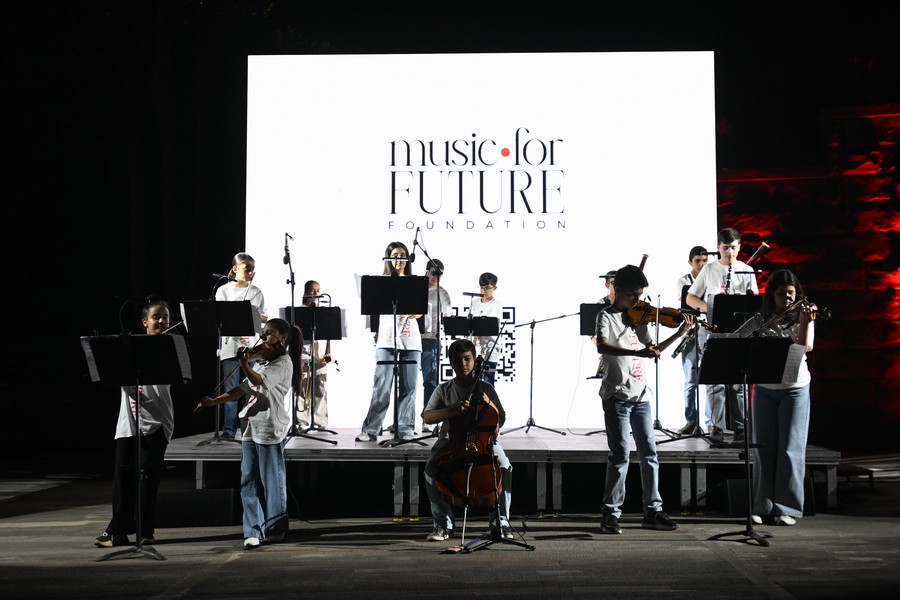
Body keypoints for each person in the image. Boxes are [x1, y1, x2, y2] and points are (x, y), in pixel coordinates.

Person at [595, 265, 694, 534]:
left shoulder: (639, 319)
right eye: (632, 295)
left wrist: (678, 333)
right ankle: (610, 514)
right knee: (620, 456)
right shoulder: (606, 316)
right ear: (617, 290)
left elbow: (653, 349)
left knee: (650, 454)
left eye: (639, 295)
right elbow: (602, 346)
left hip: (641, 397)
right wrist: (637, 352)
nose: (637, 300)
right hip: (617, 395)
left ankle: (653, 511)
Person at [198, 318, 302, 549]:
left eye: (269, 333)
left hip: (270, 428)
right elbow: (243, 388)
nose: (263, 338)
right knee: (248, 480)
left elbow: (259, 381)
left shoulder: (283, 362)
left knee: (272, 481)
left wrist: (244, 363)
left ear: (283, 338)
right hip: (250, 427)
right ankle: (253, 530)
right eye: (263, 333)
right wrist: (214, 401)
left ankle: (275, 529)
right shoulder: (262, 362)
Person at [733, 269, 816, 526]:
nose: (787, 299)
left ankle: (787, 508)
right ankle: (762, 506)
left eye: (791, 294)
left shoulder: (803, 316)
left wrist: (805, 322)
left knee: (791, 449)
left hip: (795, 388)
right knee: (762, 449)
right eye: (782, 294)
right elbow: (737, 340)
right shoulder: (761, 320)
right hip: (765, 389)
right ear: (772, 295)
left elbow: (804, 347)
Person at [95, 295, 176, 548]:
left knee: (148, 481)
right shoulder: (128, 348)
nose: (161, 321)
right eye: (156, 317)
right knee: (122, 478)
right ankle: (118, 531)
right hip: (128, 421)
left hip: (156, 421)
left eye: (165, 317)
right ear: (144, 322)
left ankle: (146, 531)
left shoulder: (170, 346)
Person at [422, 339, 514, 541]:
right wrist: (453, 411)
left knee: (505, 466)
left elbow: (501, 417)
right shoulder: (443, 389)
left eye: (467, 359)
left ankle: (501, 522)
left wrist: (489, 403)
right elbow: (428, 416)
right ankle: (443, 524)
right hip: (451, 439)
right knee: (430, 469)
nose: (463, 364)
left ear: (474, 360)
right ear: (450, 363)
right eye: (457, 360)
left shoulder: (486, 388)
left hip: (483, 439)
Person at [686, 228, 758, 444]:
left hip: (739, 330)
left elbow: (755, 300)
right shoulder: (709, 269)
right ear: (718, 247)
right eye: (725, 248)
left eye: (733, 248)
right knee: (715, 380)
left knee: (738, 383)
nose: (730, 252)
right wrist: (710, 309)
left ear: (739, 247)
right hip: (714, 329)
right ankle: (715, 426)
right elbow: (690, 298)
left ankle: (740, 427)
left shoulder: (747, 270)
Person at [356, 241, 422, 442]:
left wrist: (418, 311)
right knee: (382, 386)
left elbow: (423, 308)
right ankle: (371, 429)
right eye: (395, 255)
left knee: (409, 387)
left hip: (410, 340)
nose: (399, 259)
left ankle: (405, 428)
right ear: (388, 258)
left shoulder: (414, 282)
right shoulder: (380, 283)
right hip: (386, 339)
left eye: (402, 255)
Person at [215, 252, 267, 439]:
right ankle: (228, 429)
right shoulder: (223, 291)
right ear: (235, 269)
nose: (250, 273)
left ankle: (250, 428)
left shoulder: (256, 292)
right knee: (231, 390)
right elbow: (219, 316)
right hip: (230, 346)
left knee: (252, 390)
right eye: (247, 269)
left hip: (252, 347)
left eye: (252, 269)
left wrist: (253, 314)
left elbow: (263, 317)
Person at [675, 246, 708, 435]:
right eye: (697, 261)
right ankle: (691, 421)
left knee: (712, 378)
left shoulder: (712, 279)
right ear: (690, 262)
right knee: (690, 377)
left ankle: (713, 423)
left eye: (704, 261)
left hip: (708, 330)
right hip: (691, 330)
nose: (701, 264)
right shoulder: (684, 281)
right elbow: (685, 305)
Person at [421, 259, 452, 434]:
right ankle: (402, 421)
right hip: (411, 338)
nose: (436, 277)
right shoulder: (416, 289)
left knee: (430, 381)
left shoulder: (442, 292)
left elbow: (448, 314)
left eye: (440, 274)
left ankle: (427, 419)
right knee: (406, 382)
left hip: (431, 339)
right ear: (427, 271)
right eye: (434, 273)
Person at [296, 280, 332, 429]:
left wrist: (328, 353)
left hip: (320, 356)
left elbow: (330, 335)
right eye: (312, 291)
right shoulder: (299, 312)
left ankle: (320, 422)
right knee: (302, 389)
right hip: (304, 355)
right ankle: (301, 421)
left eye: (318, 291)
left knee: (320, 389)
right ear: (306, 293)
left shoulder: (324, 312)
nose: (316, 294)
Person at [469, 272, 502, 386]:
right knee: (474, 380)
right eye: (482, 288)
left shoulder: (497, 304)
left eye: (487, 288)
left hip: (491, 346)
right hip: (476, 346)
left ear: (494, 288)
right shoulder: (474, 303)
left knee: (488, 380)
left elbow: (494, 325)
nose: (484, 291)